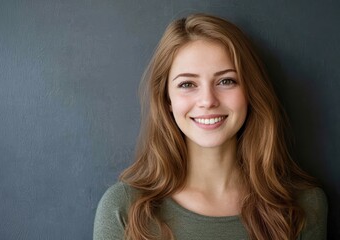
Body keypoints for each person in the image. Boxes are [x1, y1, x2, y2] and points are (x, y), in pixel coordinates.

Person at [93, 13, 327, 240]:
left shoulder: (303, 206)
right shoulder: (123, 207)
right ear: (167, 100)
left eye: (226, 81)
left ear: (250, 93)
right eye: (187, 84)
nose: (208, 100)